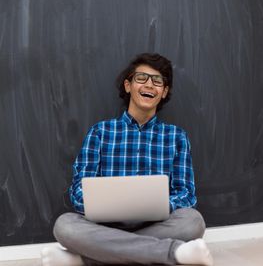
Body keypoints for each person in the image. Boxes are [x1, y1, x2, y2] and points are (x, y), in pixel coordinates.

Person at [41, 53, 213, 266]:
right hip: (104, 226)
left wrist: (158, 205)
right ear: (128, 85)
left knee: (193, 222)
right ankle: (173, 253)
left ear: (164, 92)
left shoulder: (176, 137)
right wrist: (101, 205)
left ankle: (85, 259)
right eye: (141, 78)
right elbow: (78, 190)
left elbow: (187, 194)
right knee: (65, 225)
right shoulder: (100, 132)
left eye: (157, 81)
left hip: (157, 223)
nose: (149, 85)